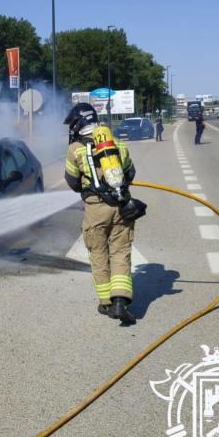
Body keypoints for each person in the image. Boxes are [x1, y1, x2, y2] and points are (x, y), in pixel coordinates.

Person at [63, 103, 146, 324]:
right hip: (121, 207)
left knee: (98, 254)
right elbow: (130, 173)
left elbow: (71, 182)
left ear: (78, 124)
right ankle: (120, 301)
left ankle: (106, 303)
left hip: (94, 210)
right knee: (120, 253)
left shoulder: (75, 149)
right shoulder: (117, 143)